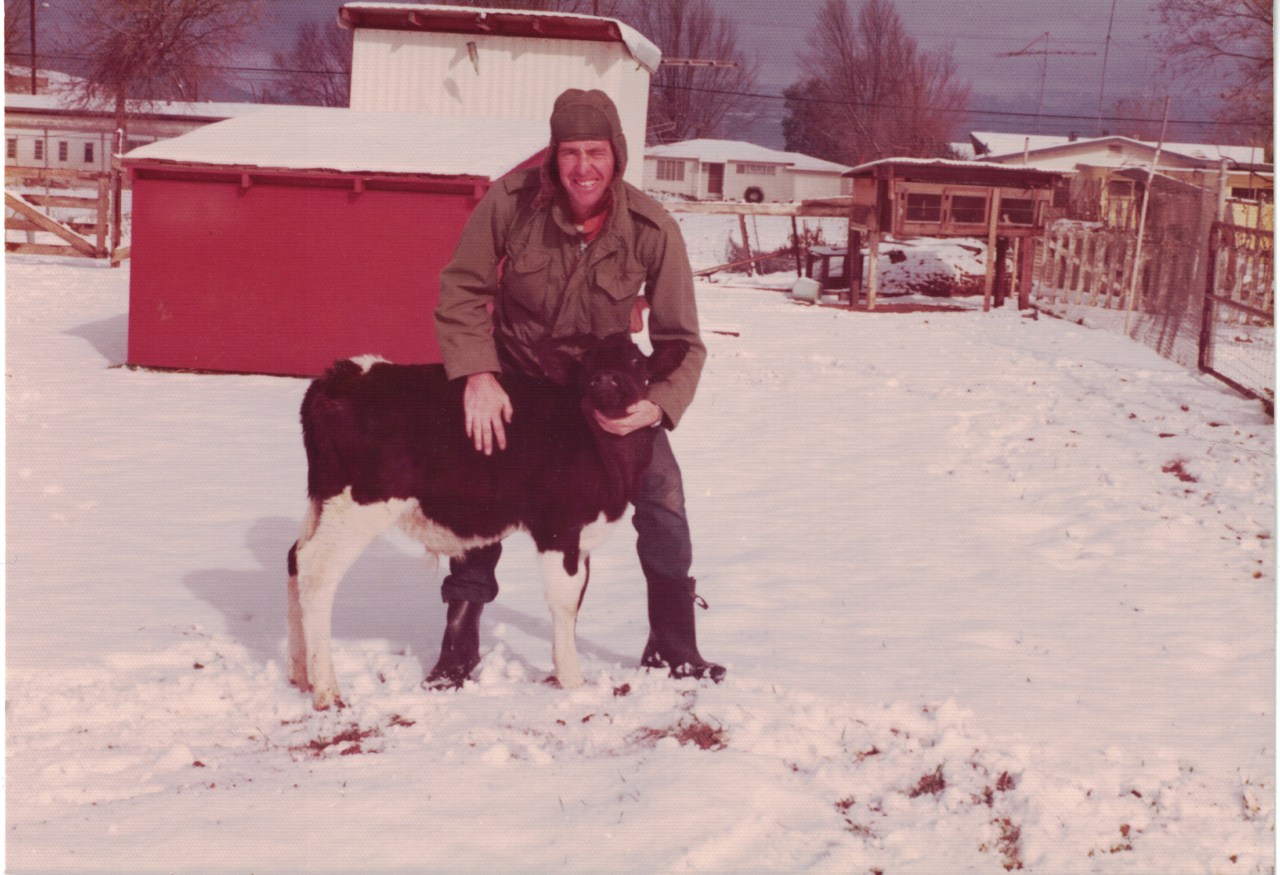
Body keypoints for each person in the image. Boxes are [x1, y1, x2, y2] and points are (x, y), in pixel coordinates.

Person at [428, 87, 724, 688]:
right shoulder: (510, 204)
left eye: (596, 152)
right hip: (517, 379)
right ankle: (459, 639)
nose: (583, 167)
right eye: (569, 152)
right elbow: (461, 290)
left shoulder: (651, 227)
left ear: (617, 155)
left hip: (600, 393)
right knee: (479, 485)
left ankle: (673, 643)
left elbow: (682, 339)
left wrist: (656, 406)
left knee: (663, 493)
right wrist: (478, 374)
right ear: (553, 156)